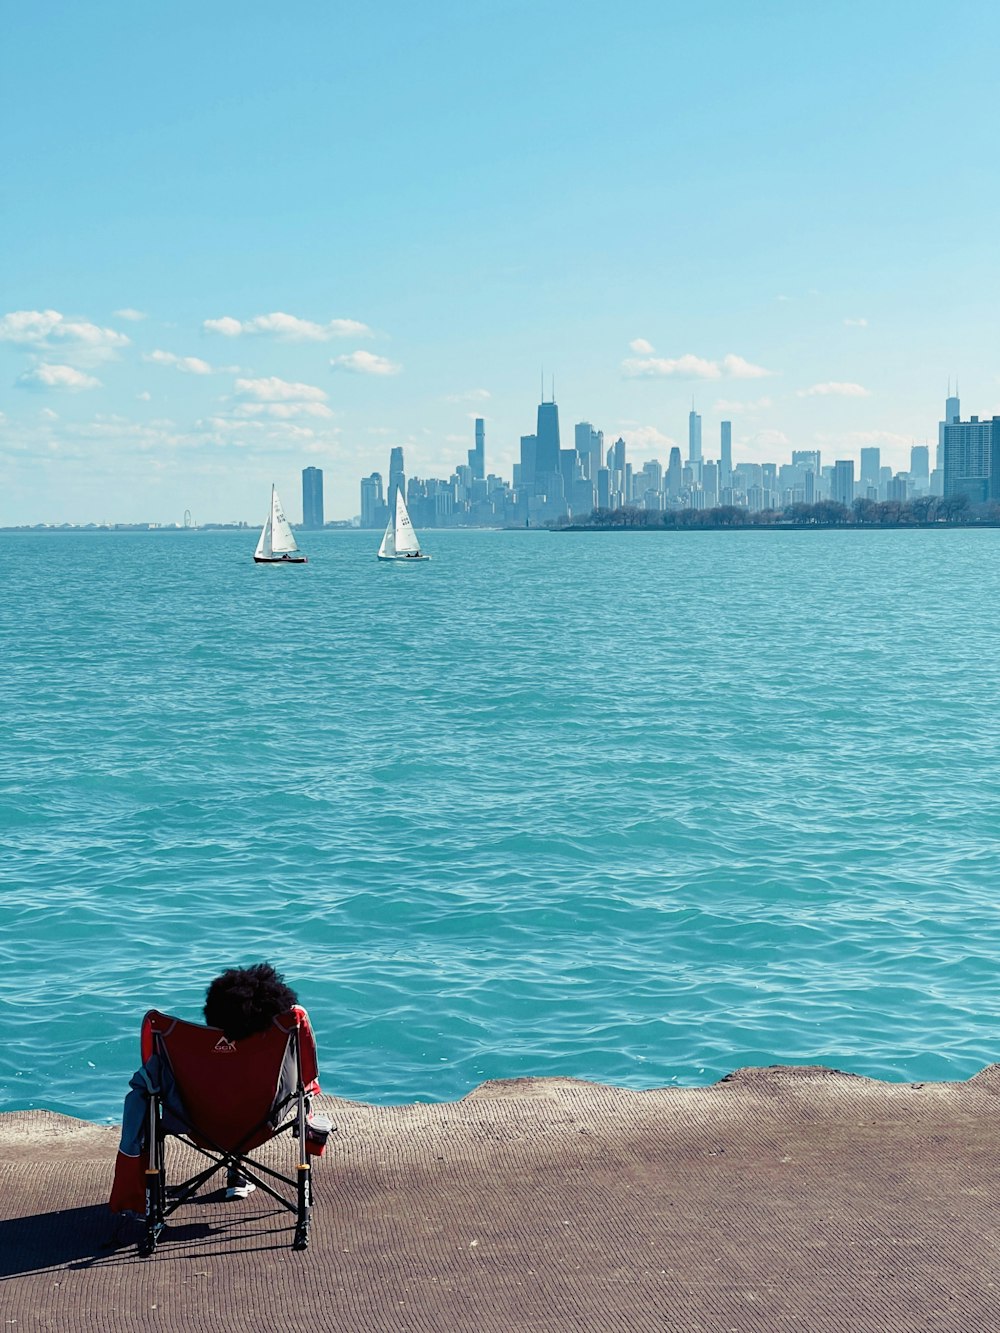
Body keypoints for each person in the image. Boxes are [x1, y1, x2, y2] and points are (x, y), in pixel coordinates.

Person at [110, 962, 304, 1211]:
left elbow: (150, 1084)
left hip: (198, 1127)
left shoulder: (184, 1045)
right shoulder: (275, 1046)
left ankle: (225, 1174)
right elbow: (303, 1086)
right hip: (260, 1126)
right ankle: (237, 1170)